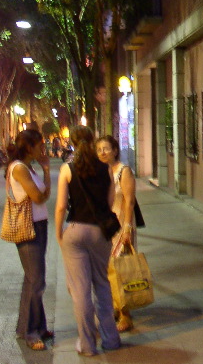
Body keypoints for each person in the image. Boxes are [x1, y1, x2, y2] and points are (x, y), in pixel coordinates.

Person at [55, 125, 121, 357]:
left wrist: (59, 233)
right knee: (102, 284)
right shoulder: (106, 169)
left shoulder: (67, 169)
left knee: (80, 291)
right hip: (100, 232)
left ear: (73, 143)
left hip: (75, 231)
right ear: (93, 141)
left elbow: (61, 206)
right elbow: (110, 202)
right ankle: (111, 339)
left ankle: (87, 345)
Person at [5, 129, 53, 351]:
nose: (42, 149)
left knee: (32, 279)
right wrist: (44, 191)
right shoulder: (18, 168)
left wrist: (46, 170)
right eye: (39, 145)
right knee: (36, 280)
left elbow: (44, 196)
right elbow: (38, 197)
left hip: (40, 225)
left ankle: (33, 327)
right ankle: (32, 332)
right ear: (29, 146)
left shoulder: (30, 167)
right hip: (28, 227)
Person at [96, 135, 137, 332]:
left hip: (121, 225)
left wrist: (127, 227)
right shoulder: (100, 172)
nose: (103, 152)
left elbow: (129, 201)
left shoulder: (124, 171)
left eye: (106, 148)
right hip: (106, 227)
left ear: (115, 150)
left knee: (120, 270)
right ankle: (115, 306)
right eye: (99, 150)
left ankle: (125, 314)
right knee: (108, 270)